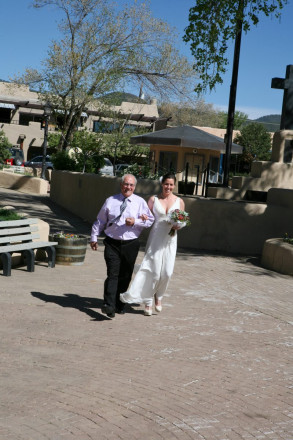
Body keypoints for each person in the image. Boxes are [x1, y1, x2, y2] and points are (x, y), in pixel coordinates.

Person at [120, 173, 185, 316]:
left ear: (174, 185)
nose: (168, 187)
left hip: (170, 239)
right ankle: (148, 300)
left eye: (171, 184)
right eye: (166, 184)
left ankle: (159, 296)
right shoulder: (153, 200)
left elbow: (183, 218)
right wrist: (140, 218)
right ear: (162, 184)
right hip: (156, 237)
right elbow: (146, 218)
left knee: (167, 272)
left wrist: (179, 225)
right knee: (154, 272)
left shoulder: (179, 201)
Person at [90, 174, 154, 318]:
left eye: (131, 185)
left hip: (131, 244)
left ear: (134, 187)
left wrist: (136, 222)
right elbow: (100, 220)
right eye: (126, 184)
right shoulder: (110, 201)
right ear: (121, 185)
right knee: (112, 274)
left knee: (125, 275)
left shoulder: (139, 202)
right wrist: (94, 237)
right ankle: (109, 305)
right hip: (112, 242)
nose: (128, 187)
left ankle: (120, 303)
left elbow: (150, 220)